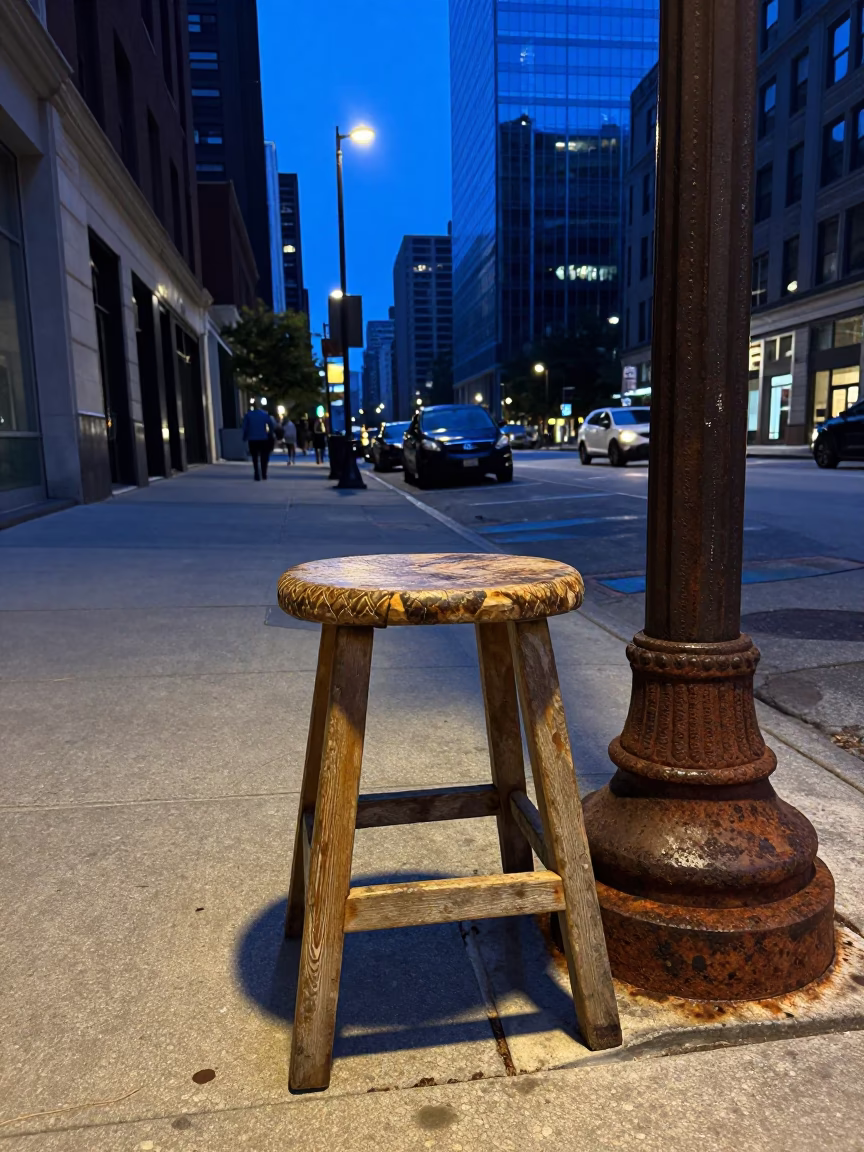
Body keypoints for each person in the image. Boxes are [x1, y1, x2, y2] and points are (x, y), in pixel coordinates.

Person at [241, 400, 279, 481]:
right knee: (264, 456)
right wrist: (270, 433)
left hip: (252, 438)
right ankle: (264, 473)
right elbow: (271, 425)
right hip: (263, 438)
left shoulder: (248, 415)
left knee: (254, 457)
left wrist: (244, 436)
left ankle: (256, 473)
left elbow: (245, 427)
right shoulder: (265, 414)